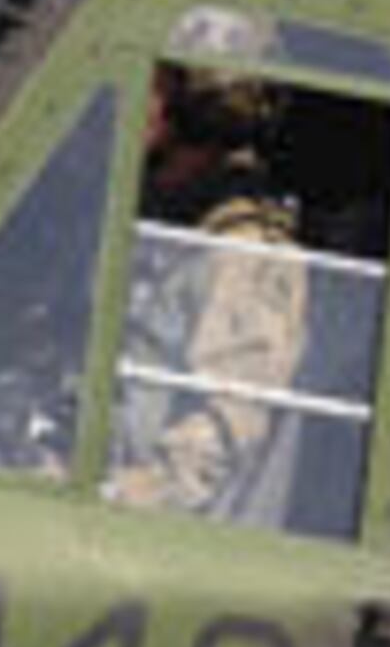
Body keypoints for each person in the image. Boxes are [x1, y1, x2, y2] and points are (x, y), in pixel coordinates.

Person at [103, 51, 309, 526]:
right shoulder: (164, 215)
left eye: (151, 84)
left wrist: (114, 495)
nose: (127, 94)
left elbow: (224, 431)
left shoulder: (242, 252)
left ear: (199, 109)